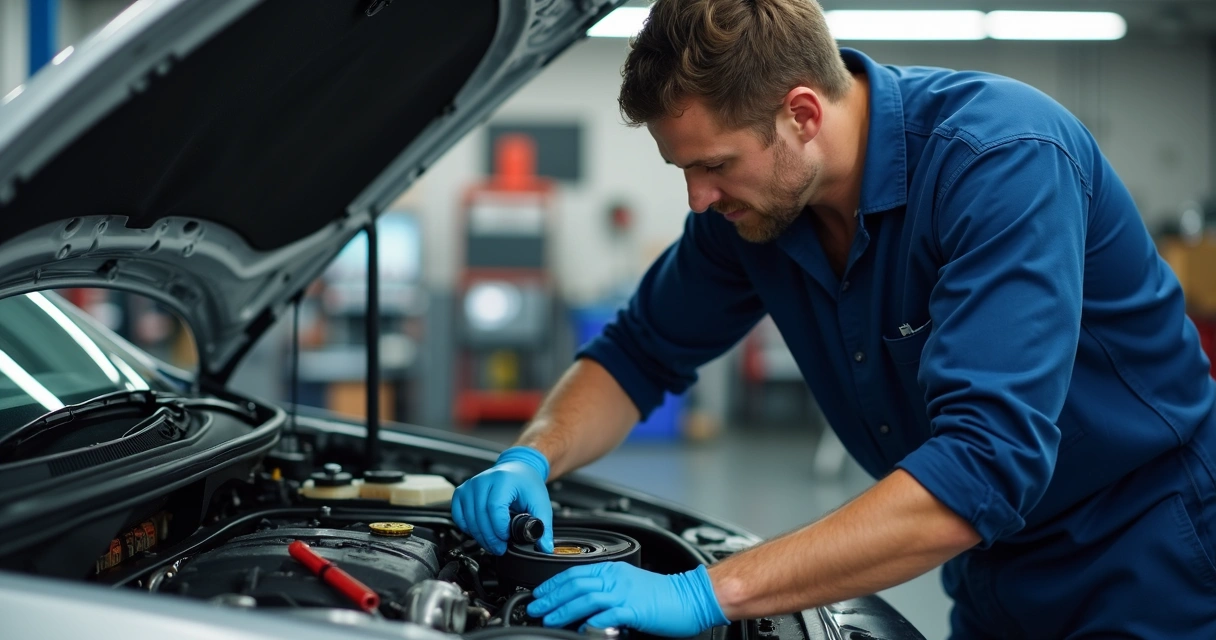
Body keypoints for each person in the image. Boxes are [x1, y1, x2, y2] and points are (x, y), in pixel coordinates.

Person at [451, 0, 1216, 636]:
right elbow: (638, 353)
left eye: (713, 164)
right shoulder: (752, 216)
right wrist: (532, 457)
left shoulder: (1000, 161)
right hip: (993, 566)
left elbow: (986, 465)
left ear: (803, 114)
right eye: (683, 169)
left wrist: (705, 592)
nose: (698, 199)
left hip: (1147, 550)